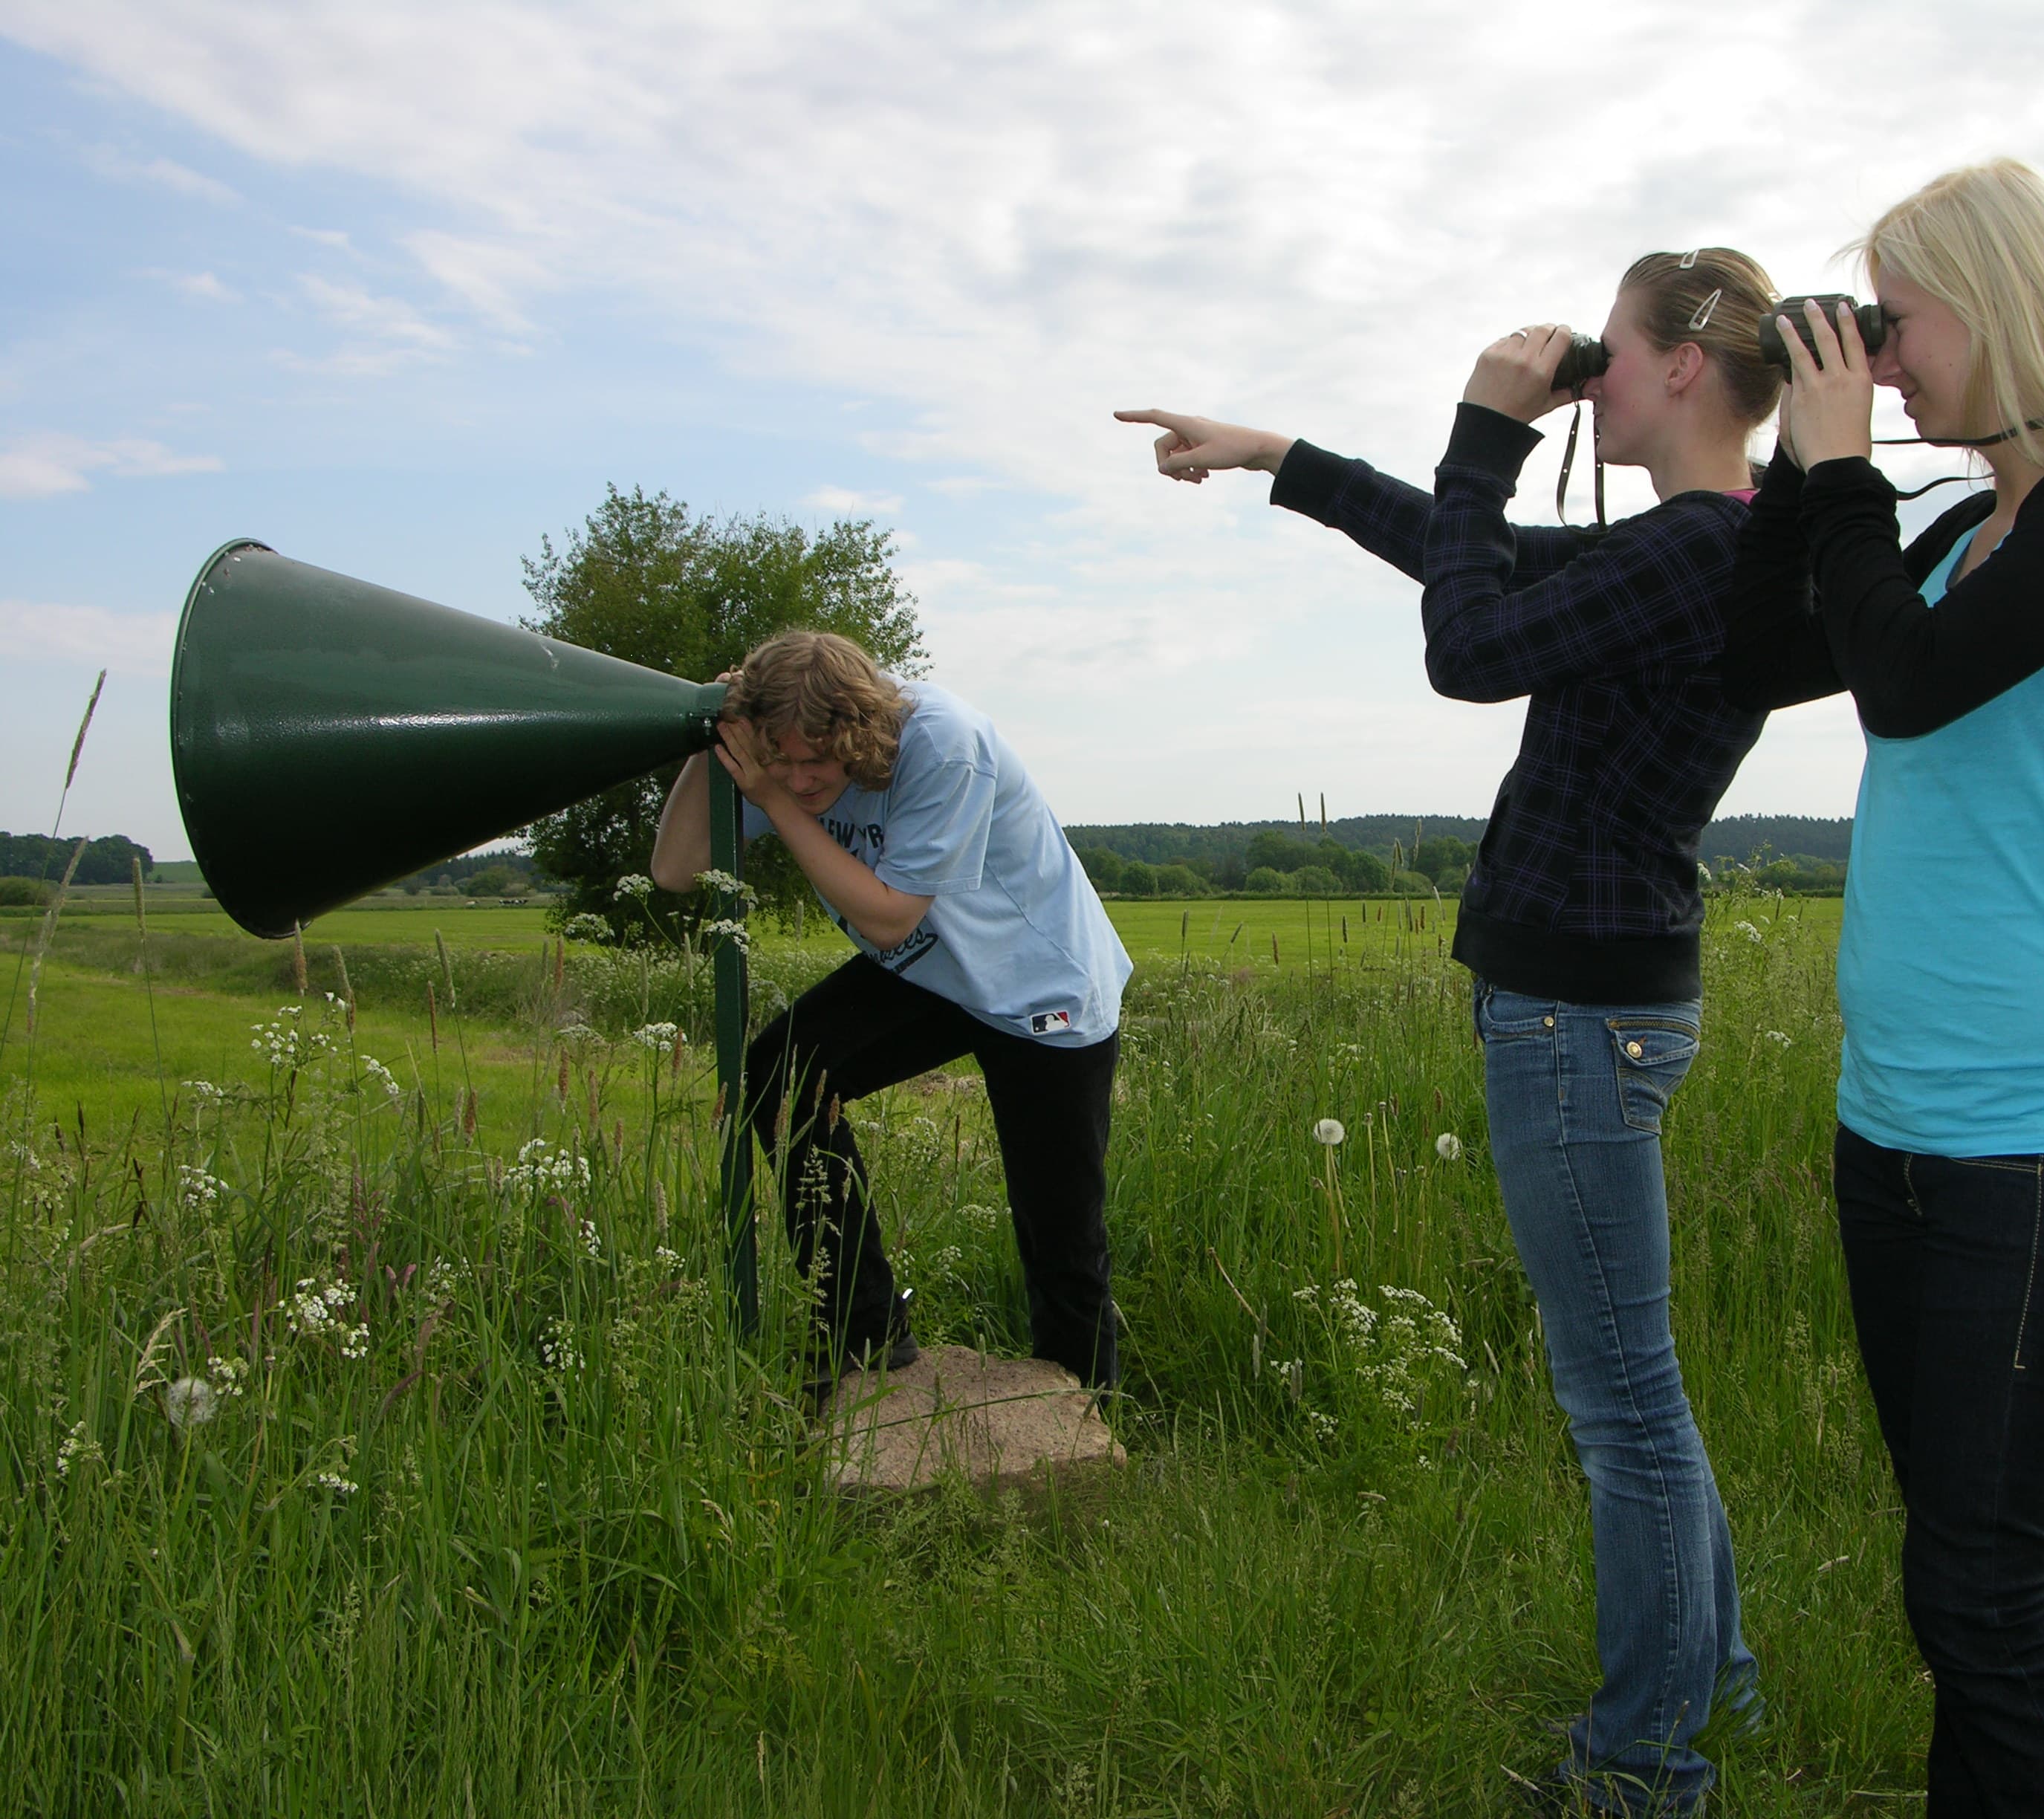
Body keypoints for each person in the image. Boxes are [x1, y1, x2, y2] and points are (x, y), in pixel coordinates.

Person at [1117, 247, 1782, 1815]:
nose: (1587, 374)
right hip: (1598, 997)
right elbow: (1458, 553)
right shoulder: (1713, 545)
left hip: (1581, 1009)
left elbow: (1467, 647)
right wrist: (1282, 457)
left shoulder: (1700, 548)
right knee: (1641, 1389)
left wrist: (1489, 422)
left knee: (1620, 1408)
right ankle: (1718, 1687)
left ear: (1681, 366)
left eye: (1606, 351)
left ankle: (1645, 1769)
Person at [1719, 160, 2044, 1815]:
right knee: (1955, 1586)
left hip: (2038, 1134)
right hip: (1900, 1121)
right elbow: (1770, 646)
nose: (1884, 354)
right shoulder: (1949, 525)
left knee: (1980, 1597)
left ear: (1998, 305)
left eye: (1898, 319)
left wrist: (1844, 466)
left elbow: (1916, 690)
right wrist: (1806, 468)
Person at [651, 631, 1132, 1395]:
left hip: (1040, 987)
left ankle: (1083, 1410)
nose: (804, 780)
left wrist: (772, 796)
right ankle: (862, 1328)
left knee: (1059, 1227)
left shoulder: (944, 743)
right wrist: (712, 744)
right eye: (782, 761)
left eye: (819, 762)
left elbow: (887, 919)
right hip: (933, 972)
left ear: (859, 733)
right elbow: (675, 869)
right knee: (781, 1078)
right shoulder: (782, 757)